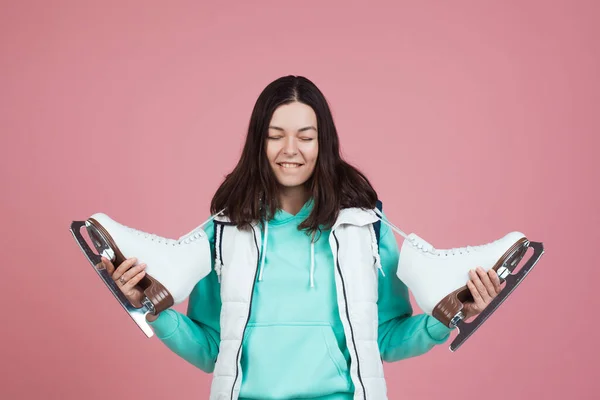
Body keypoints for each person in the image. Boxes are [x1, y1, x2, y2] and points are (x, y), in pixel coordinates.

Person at [101, 75, 502, 399]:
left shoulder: (364, 227)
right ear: (259, 141)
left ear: (322, 142)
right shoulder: (224, 231)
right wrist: (154, 311)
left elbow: (384, 338)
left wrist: (444, 320)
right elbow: (212, 349)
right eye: (276, 135)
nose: (289, 149)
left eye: (305, 136)